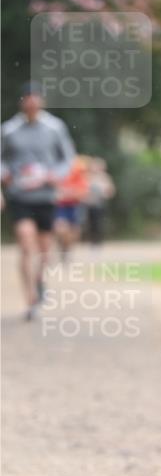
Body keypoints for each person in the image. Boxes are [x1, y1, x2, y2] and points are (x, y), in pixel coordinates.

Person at [1, 83, 75, 319]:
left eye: (35, 98)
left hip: (46, 196)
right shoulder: (9, 130)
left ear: (41, 101)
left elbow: (67, 158)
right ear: (22, 102)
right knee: (25, 242)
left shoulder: (55, 128)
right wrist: (5, 175)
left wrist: (56, 175)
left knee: (44, 249)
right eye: (27, 98)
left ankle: (40, 280)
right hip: (20, 195)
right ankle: (30, 297)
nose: (31, 102)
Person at [54, 154, 89, 261]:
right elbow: (56, 193)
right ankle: (62, 247)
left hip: (75, 205)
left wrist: (68, 193)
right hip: (61, 206)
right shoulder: (55, 168)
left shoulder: (78, 167)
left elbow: (83, 192)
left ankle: (67, 250)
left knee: (75, 232)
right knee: (61, 229)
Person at [83, 156, 116, 248]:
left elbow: (111, 191)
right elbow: (82, 190)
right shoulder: (87, 176)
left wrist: (105, 193)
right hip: (89, 204)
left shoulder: (105, 177)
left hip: (100, 204)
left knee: (99, 223)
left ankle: (98, 242)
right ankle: (92, 242)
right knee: (90, 223)